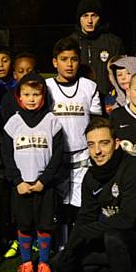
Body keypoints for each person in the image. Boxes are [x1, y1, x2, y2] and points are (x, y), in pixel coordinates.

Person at [53, 117, 136, 272]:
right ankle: (125, 270)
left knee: (113, 237)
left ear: (116, 143)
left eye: (104, 143)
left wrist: (84, 233)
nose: (97, 151)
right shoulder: (90, 177)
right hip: (114, 240)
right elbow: (85, 217)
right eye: (91, 145)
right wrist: (70, 248)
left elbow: (127, 219)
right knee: (63, 263)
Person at [1, 72, 64, 272]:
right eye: (26, 94)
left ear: (43, 96)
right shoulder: (13, 123)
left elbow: (57, 156)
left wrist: (43, 181)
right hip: (21, 187)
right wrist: (17, 181)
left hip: (44, 187)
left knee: (45, 225)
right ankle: (27, 263)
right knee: (25, 225)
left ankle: (44, 263)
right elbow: (6, 156)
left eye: (36, 94)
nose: (31, 98)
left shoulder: (52, 121)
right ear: (19, 97)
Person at [46, 37, 103, 249]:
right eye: (63, 59)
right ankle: (61, 247)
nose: (69, 64)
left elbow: (97, 123)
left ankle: (78, 247)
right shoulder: (46, 87)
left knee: (82, 206)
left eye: (74, 59)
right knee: (59, 206)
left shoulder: (89, 86)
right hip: (56, 158)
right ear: (54, 62)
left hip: (83, 157)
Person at [69, 0, 125, 99]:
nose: (89, 21)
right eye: (85, 16)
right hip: (78, 99)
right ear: (79, 18)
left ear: (100, 18)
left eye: (93, 15)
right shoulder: (71, 42)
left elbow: (123, 74)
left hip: (106, 100)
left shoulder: (114, 42)